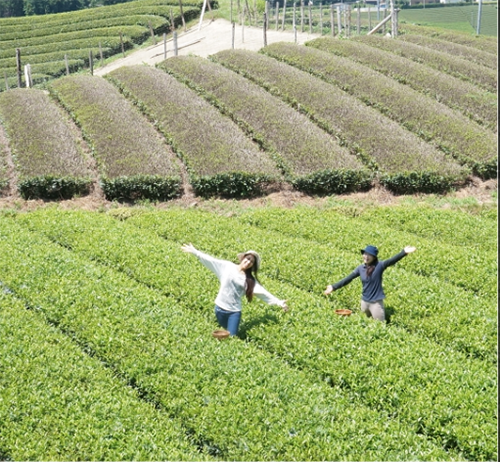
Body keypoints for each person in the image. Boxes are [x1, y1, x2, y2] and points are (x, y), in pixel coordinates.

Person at [181, 243, 288, 336]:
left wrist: (279, 302)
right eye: (248, 258)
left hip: (234, 312)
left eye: (251, 262)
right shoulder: (227, 267)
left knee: (231, 336)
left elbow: (263, 293)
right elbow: (212, 261)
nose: (248, 262)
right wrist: (195, 252)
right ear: (243, 258)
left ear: (252, 266)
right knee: (222, 333)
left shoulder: (249, 280)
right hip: (219, 308)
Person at [324, 245, 417, 321]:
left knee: (380, 328)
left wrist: (403, 252)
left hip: (376, 304)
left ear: (374, 257)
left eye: (369, 255)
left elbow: (392, 260)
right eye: (365, 254)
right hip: (364, 303)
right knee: (365, 324)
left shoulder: (379, 266)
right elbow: (348, 279)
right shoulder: (360, 268)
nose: (366, 257)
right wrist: (333, 287)